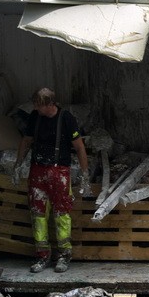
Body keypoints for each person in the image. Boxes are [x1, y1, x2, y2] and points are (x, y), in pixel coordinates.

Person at [13, 87, 90, 273]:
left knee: (62, 214)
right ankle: (42, 256)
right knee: (38, 215)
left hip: (59, 173)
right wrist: (17, 165)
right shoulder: (35, 117)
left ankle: (64, 255)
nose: (36, 108)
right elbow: (26, 141)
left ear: (49, 104)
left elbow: (79, 147)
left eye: (39, 106)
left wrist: (85, 175)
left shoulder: (66, 119)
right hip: (37, 172)